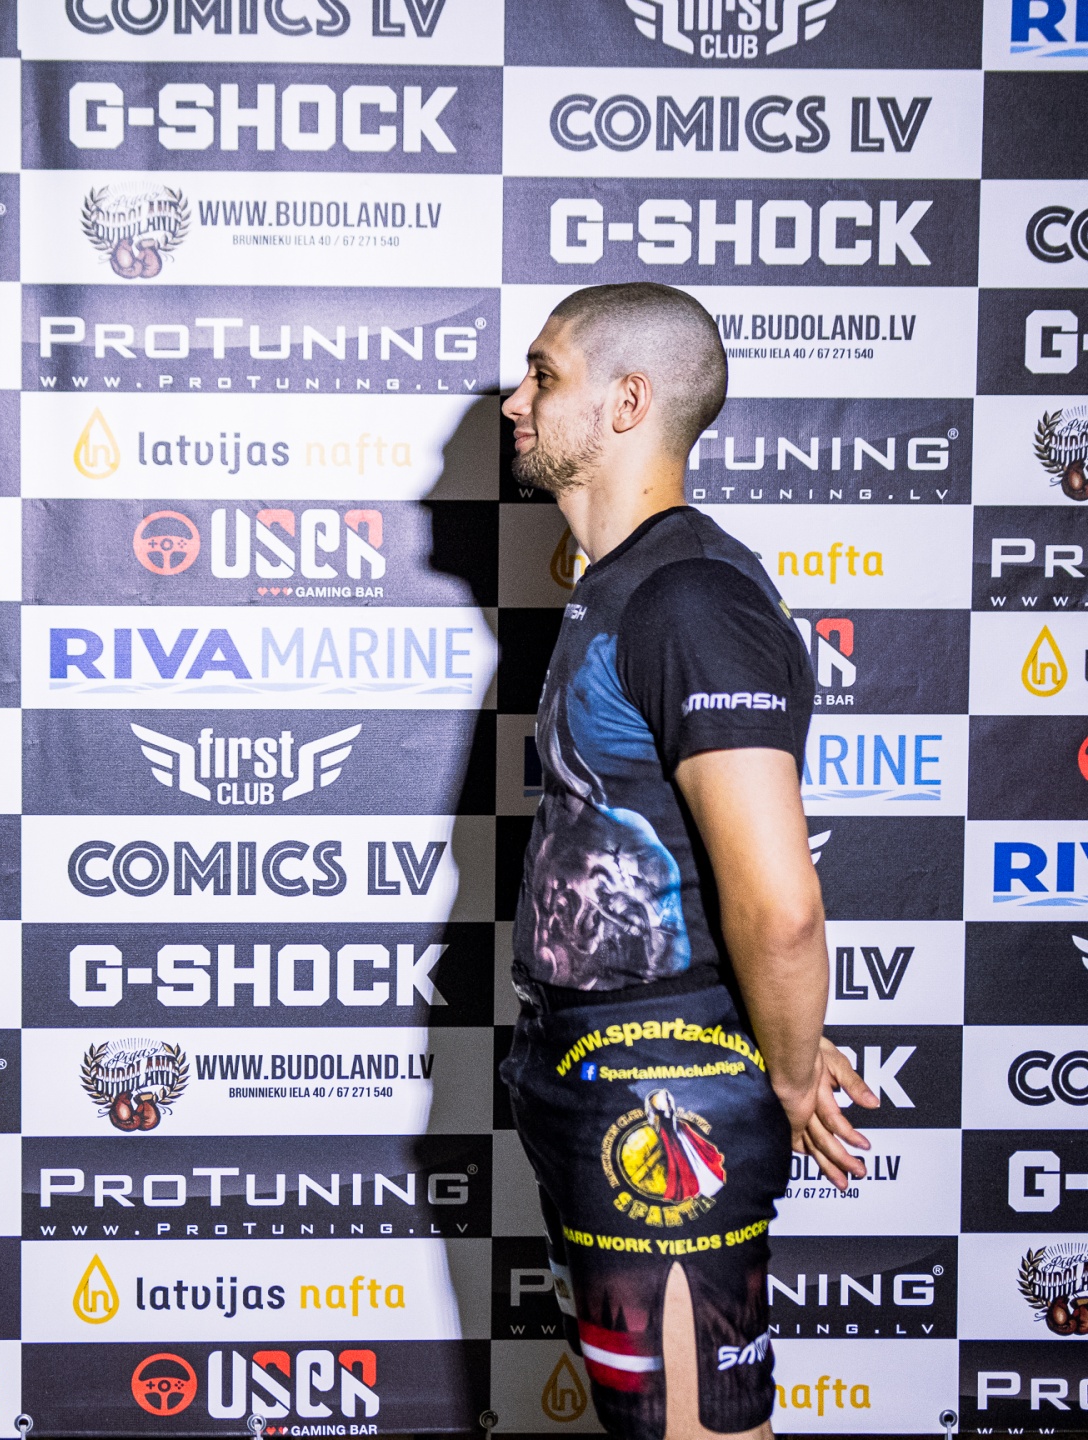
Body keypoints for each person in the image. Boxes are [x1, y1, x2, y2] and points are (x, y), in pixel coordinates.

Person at [497, 282, 879, 1440]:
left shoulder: (689, 595)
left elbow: (779, 901)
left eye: (544, 375)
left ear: (627, 402)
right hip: (599, 1064)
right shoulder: (617, 585)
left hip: (663, 1091)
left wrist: (791, 1068)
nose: (515, 401)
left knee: (691, 1432)